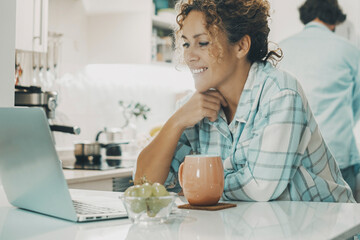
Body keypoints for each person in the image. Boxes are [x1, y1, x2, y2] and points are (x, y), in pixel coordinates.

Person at [135, 0, 354, 202]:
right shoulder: (191, 108)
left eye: (202, 43)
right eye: (185, 44)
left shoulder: (280, 93)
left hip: (329, 226)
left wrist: (196, 185)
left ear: (241, 46)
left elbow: (260, 187)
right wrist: (176, 122)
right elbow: (144, 183)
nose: (189, 56)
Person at [279, 0, 360, 195]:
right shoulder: (349, 51)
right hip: (338, 154)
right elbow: (356, 103)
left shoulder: (281, 49)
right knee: (346, 221)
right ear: (334, 20)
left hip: (292, 156)